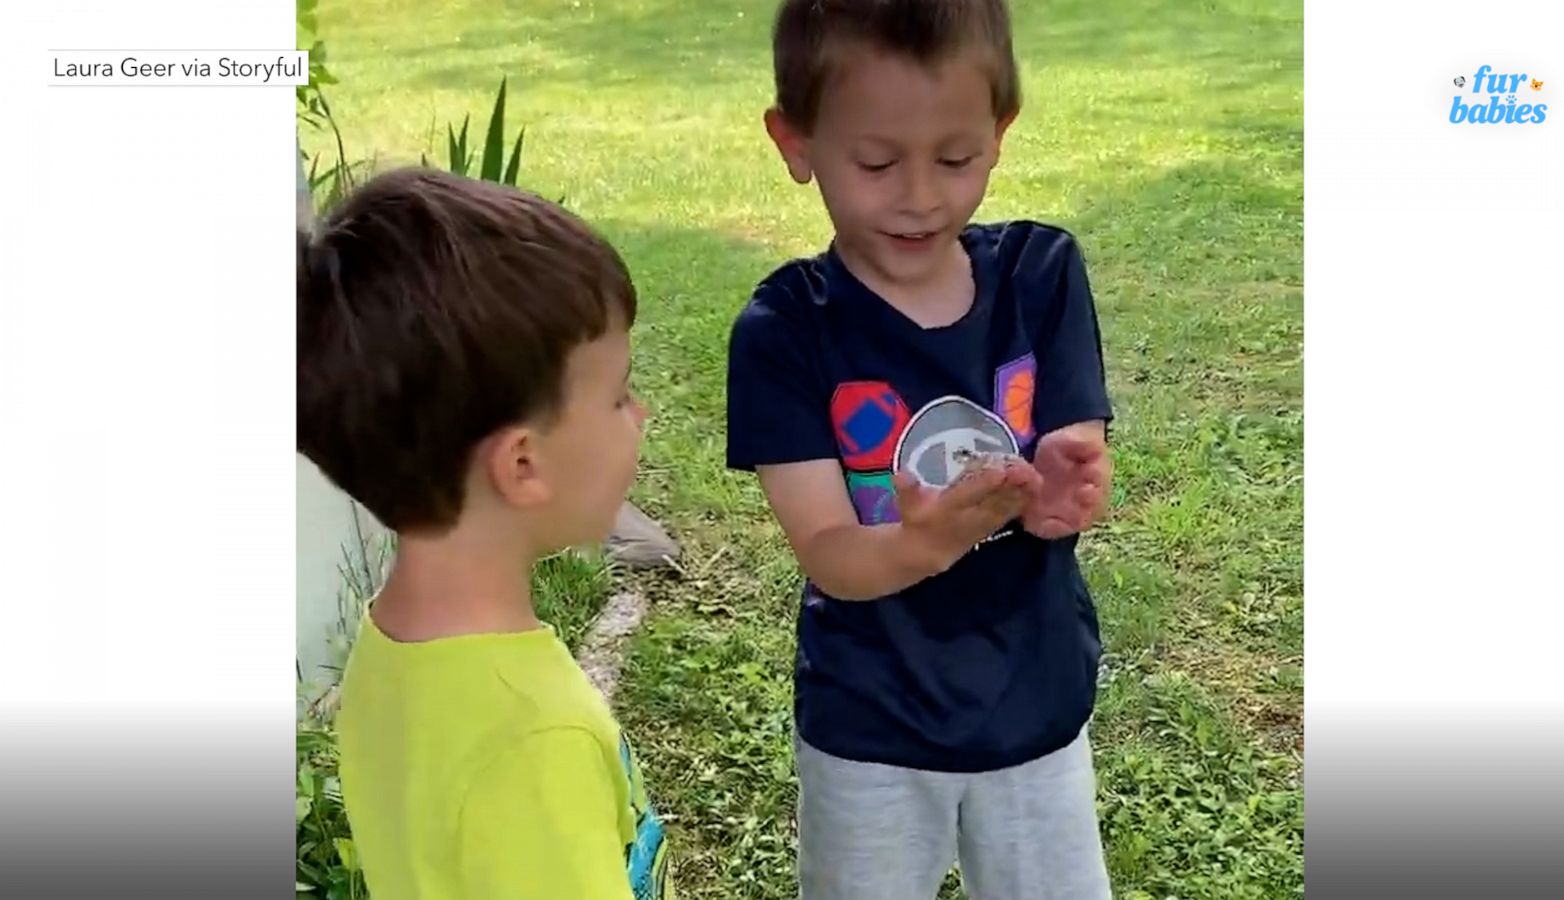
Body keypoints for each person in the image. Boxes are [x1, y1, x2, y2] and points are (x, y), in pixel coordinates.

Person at [725, 1, 1116, 897]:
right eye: (874, 161)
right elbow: (829, 550)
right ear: (796, 144)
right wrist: (924, 540)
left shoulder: (1040, 276)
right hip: (871, 727)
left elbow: (1071, 452)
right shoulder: (785, 332)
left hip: (1034, 704)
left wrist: (1063, 492)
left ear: (1000, 131)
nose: (919, 195)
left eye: (955, 157)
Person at [298, 167, 671, 899]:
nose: (642, 413)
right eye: (619, 393)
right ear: (523, 465)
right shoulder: (532, 739)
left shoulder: (388, 651)